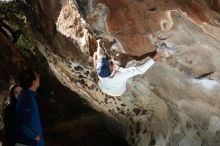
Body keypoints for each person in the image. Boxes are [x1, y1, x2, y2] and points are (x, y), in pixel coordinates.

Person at [93, 39, 163, 96]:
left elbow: (100, 55)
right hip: (117, 92)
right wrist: (158, 56)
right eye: (109, 63)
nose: (109, 61)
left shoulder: (100, 72)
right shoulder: (119, 76)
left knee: (96, 56)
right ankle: (129, 80)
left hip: (103, 86)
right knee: (129, 73)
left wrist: (99, 43)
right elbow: (140, 70)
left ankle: (125, 76)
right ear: (111, 70)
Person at [15, 69, 44, 146]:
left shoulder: (27, 96)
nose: (39, 76)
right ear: (33, 82)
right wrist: (35, 138)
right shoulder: (27, 99)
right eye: (37, 76)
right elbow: (23, 123)